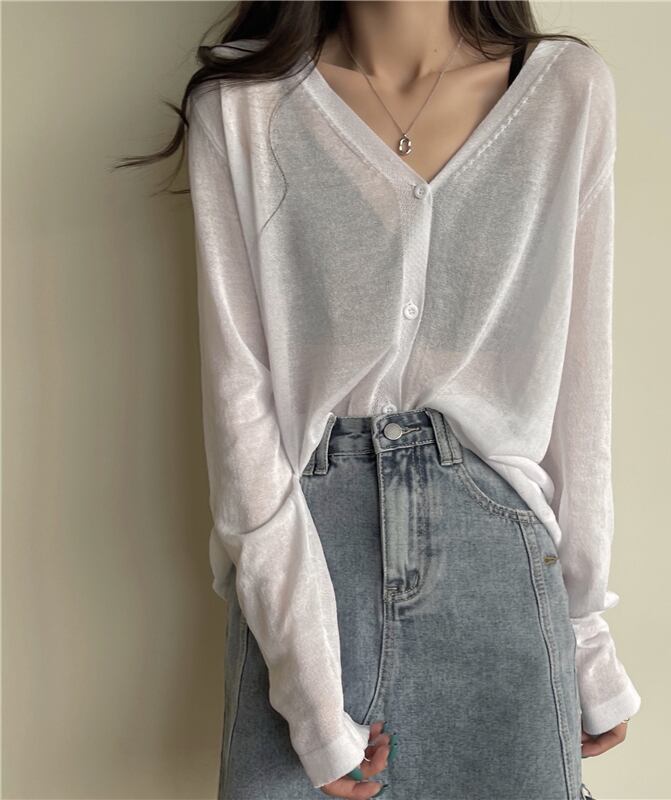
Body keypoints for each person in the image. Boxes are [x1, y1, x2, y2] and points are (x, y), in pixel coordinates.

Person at [119, 2, 642, 797]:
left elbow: (580, 387)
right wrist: (308, 690)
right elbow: (240, 416)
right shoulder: (242, 107)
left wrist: (584, 633)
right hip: (304, 568)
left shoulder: (565, 93)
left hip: (497, 573)